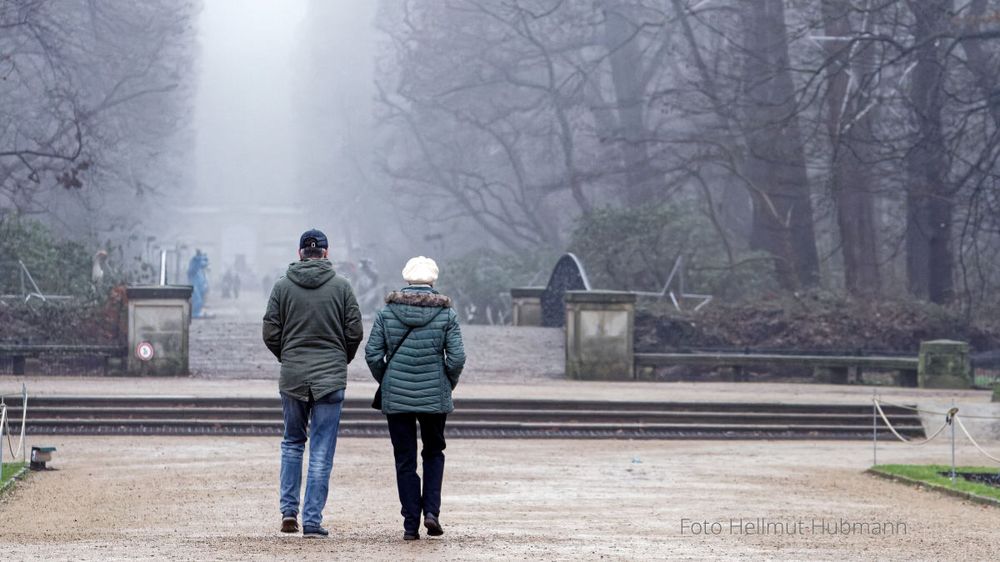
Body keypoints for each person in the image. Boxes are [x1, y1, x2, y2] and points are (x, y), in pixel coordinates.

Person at [263, 229, 363, 539]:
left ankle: (288, 511)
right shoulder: (342, 287)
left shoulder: (281, 287)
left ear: (299, 253)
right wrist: (339, 358)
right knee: (321, 450)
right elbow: (355, 331)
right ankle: (313, 521)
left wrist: (288, 355)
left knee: (292, 443)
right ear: (326, 253)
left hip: (293, 375)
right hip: (330, 377)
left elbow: (270, 331)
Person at [365, 256, 466, 541]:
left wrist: (388, 380)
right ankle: (431, 512)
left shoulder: (387, 313)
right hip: (434, 395)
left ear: (407, 280)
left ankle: (411, 523)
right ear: (432, 281)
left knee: (404, 459)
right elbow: (457, 357)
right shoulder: (447, 315)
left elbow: (373, 353)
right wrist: (447, 382)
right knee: (434, 452)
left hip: (397, 398)